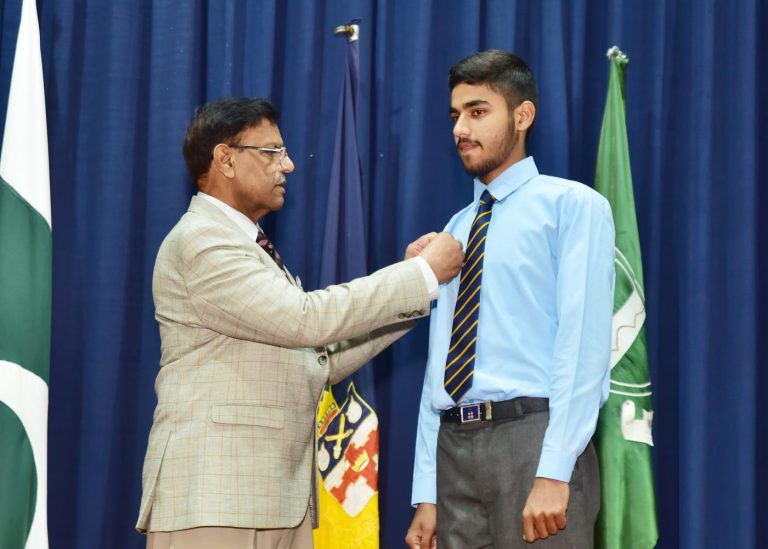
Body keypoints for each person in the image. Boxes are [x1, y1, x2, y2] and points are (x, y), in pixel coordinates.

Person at [135, 97, 464, 549]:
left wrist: (414, 290)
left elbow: (320, 359)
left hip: (275, 499)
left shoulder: (248, 246)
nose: (287, 165)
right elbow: (306, 319)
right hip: (214, 500)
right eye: (272, 152)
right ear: (225, 159)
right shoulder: (202, 240)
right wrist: (419, 275)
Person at [405, 50, 615, 548]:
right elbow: (441, 364)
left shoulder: (572, 206)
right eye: (455, 115)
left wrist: (556, 468)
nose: (460, 129)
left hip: (533, 439)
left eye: (477, 112)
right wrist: (427, 492)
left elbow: (583, 347)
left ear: (523, 116)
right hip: (454, 449)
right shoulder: (455, 229)